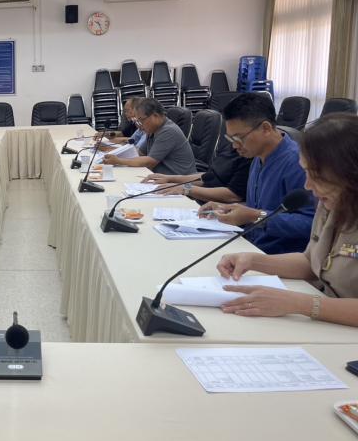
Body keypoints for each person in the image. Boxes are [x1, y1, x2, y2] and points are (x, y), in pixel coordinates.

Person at [214, 114, 358, 327]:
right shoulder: (332, 202)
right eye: (306, 172)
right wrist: (253, 261)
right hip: (331, 324)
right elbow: (311, 262)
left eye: (316, 175)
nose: (307, 185)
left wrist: (300, 303)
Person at [198, 93, 315, 254]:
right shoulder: (257, 156)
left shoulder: (297, 163)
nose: (234, 146)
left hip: (277, 256)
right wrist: (229, 208)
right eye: (231, 139)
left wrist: (254, 216)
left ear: (266, 128)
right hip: (250, 245)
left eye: (238, 138)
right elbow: (262, 209)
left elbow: (311, 224)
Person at [142, 129, 252, 203]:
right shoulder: (233, 147)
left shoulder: (248, 155)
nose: (234, 145)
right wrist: (171, 179)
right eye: (230, 138)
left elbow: (233, 195)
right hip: (204, 202)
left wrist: (186, 188)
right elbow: (208, 177)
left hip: (220, 211)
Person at [102, 97, 196, 175]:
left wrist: (118, 161)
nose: (139, 125)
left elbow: (149, 161)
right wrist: (111, 152)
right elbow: (139, 153)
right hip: (160, 178)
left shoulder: (168, 131)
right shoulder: (152, 130)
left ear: (155, 116)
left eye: (141, 120)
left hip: (178, 183)